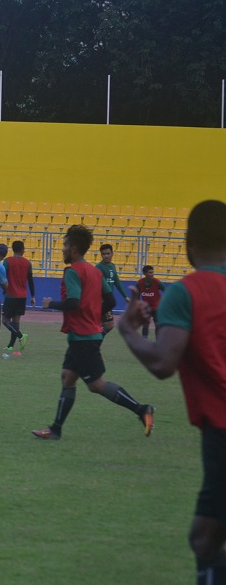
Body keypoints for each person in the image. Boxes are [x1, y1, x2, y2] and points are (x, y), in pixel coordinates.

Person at [118, 200, 226, 584]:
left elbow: (164, 363)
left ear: (188, 242)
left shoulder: (187, 291)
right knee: (204, 536)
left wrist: (128, 331)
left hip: (222, 431)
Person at [32, 225, 154, 440]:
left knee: (96, 384)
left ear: (75, 248)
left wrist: (52, 303)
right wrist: (93, 314)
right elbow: (110, 300)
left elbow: (73, 302)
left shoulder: (73, 272)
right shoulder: (95, 272)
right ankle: (56, 429)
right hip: (87, 334)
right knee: (67, 377)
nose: (62, 250)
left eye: (65, 246)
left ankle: (141, 409)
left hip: (83, 338)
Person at [2, 240, 36, 356]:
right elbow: (30, 280)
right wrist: (33, 296)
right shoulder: (27, 263)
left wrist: (3, 289)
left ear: (12, 249)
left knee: (5, 320)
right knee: (16, 322)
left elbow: (3, 276)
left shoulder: (7, 261)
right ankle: (11, 345)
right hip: (22, 296)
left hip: (11, 295)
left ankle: (21, 336)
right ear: (22, 250)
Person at [96, 243, 130, 336]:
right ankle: (94, 342)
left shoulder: (113, 266)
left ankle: (94, 344)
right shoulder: (98, 267)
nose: (106, 256)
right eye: (103, 254)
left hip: (108, 300)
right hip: (101, 301)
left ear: (112, 253)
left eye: (108, 253)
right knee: (109, 325)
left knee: (100, 326)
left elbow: (117, 282)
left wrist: (125, 296)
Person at [134, 265, 166, 339]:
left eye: (152, 272)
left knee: (158, 325)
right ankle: (144, 341)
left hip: (157, 308)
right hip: (146, 308)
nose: (152, 274)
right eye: (150, 272)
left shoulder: (157, 282)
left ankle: (158, 342)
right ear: (145, 273)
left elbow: (166, 291)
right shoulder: (139, 283)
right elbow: (136, 296)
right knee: (145, 324)